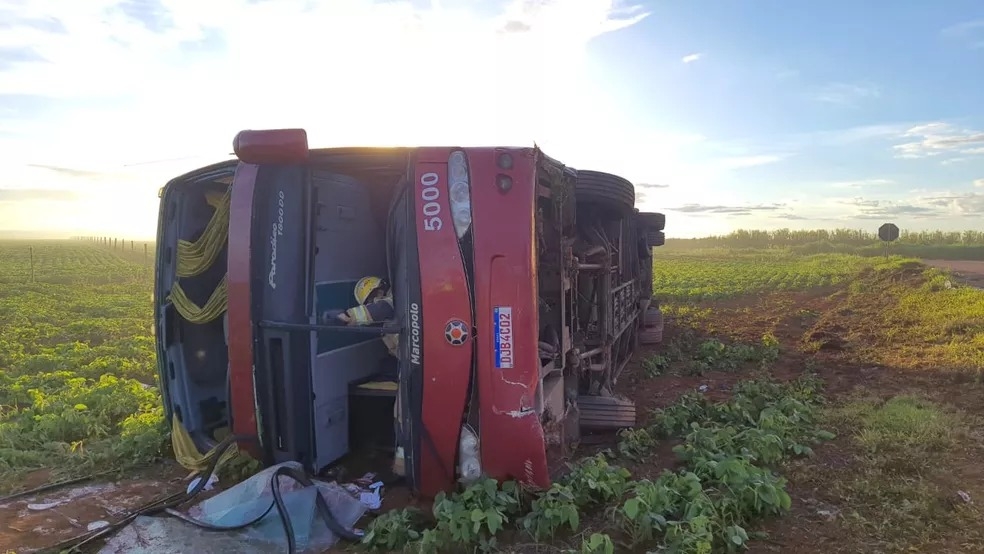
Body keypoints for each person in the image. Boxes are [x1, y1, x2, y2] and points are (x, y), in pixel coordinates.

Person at [321, 276, 405, 477]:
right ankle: (403, 467)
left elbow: (385, 308)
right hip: (415, 367)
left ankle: (404, 469)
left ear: (380, 290)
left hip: (427, 360)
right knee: (402, 414)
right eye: (368, 303)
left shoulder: (398, 296)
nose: (371, 305)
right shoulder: (385, 329)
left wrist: (348, 315)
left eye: (372, 300)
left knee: (404, 412)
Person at [321, 276, 399, 358]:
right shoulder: (386, 332)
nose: (374, 302)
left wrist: (349, 316)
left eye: (374, 295)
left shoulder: (399, 290)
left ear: (381, 287)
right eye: (370, 302)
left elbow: (384, 308)